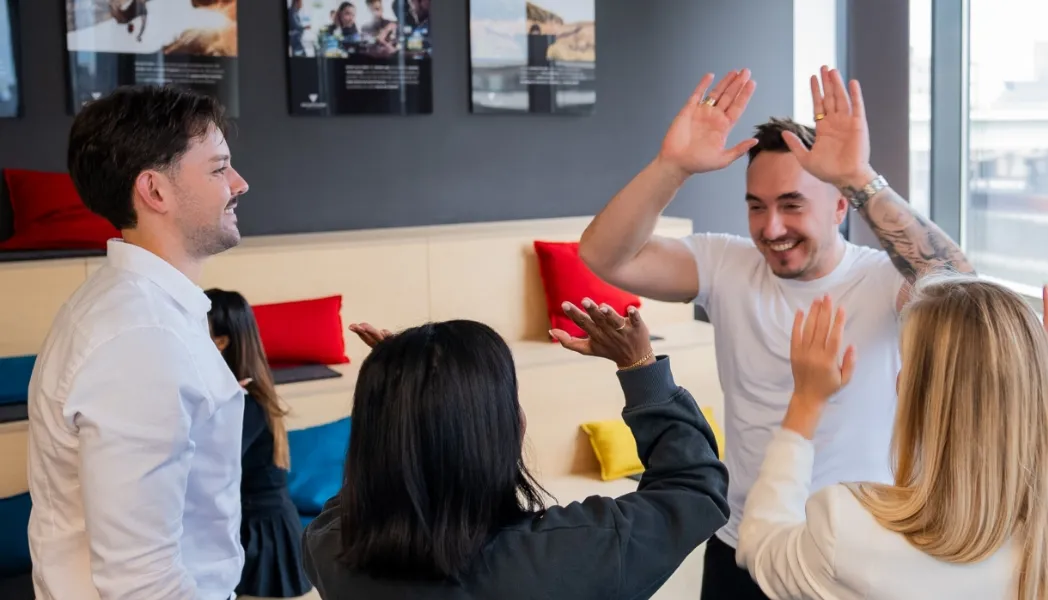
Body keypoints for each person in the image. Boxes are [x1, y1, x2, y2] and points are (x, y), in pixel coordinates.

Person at [579, 65, 973, 599]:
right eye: (757, 207)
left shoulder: (883, 280)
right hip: (746, 543)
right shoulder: (724, 263)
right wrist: (671, 167)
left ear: (839, 206)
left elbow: (960, 286)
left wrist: (859, 178)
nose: (771, 228)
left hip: (856, 555)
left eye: (792, 205)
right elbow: (604, 256)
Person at [736, 274, 1048, 599]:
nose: (898, 379)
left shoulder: (849, 530)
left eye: (907, 364)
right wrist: (1043, 373)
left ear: (921, 393)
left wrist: (806, 402)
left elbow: (761, 543)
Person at [302, 301, 728, 598]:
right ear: (500, 430)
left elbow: (371, 483)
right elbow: (694, 490)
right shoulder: (577, 552)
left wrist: (403, 400)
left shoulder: (330, 547)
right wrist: (641, 369)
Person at [27, 85, 251, 599]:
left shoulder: (137, 308)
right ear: (155, 191)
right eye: (218, 169)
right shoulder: (140, 338)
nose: (239, 183)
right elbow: (141, 583)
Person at [206, 289, 313, 599]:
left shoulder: (246, 403)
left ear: (221, 342)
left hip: (266, 537)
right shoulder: (236, 398)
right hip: (257, 528)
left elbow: (208, 466)